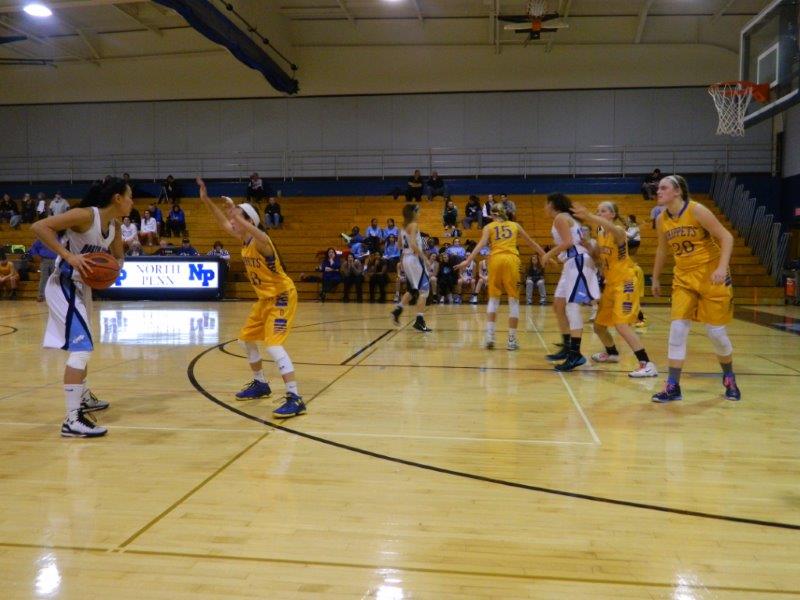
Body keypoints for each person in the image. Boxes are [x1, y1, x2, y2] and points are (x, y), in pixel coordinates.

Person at [30, 176, 132, 437]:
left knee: (85, 344)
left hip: (82, 288)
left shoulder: (115, 226)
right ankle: (71, 420)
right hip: (63, 284)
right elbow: (40, 226)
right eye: (129, 196)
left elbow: (119, 257)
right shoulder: (86, 215)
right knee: (82, 347)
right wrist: (68, 256)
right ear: (117, 198)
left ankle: (83, 397)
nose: (132, 201)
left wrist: (111, 269)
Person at [197, 177, 305, 418]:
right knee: (247, 339)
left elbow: (261, 236)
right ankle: (261, 383)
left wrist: (237, 213)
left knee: (274, 345)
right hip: (265, 300)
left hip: (282, 297)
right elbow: (222, 221)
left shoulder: (262, 242)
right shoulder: (243, 240)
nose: (232, 222)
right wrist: (206, 200)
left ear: (249, 222)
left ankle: (295, 397)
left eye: (238, 218)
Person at [651, 174, 740, 402]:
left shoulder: (697, 210)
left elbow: (726, 237)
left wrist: (722, 267)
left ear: (677, 191)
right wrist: (655, 278)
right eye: (658, 188)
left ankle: (729, 376)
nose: (658, 191)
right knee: (677, 329)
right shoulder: (662, 218)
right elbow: (662, 250)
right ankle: (673, 386)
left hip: (711, 275)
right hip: (683, 278)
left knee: (716, 333)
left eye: (663, 188)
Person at [572, 201, 658, 378]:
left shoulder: (619, 231)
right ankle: (611, 353)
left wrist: (588, 216)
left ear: (612, 214)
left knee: (621, 325)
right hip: (611, 283)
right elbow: (598, 258)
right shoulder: (601, 232)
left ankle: (647, 364)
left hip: (625, 282)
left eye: (603, 211)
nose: (599, 212)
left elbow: (612, 229)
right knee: (598, 326)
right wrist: (588, 245)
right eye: (598, 210)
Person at [457, 204, 545, 350]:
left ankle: (490, 337)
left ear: (493, 215)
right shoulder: (515, 225)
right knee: (513, 300)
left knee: (493, 299)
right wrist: (544, 255)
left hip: (495, 260)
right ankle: (511, 340)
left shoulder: (489, 227)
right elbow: (531, 243)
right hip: (511, 260)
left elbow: (480, 245)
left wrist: (467, 261)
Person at [540, 193, 601, 371]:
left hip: (578, 262)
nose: (545, 207)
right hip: (571, 263)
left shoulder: (560, 217)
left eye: (546, 204)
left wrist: (548, 254)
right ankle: (567, 347)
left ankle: (576, 355)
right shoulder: (568, 218)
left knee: (571, 306)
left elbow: (567, 242)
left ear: (552, 204)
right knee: (558, 305)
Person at [391, 204, 433, 331]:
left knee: (413, 289)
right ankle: (419, 321)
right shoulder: (413, 225)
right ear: (413, 213)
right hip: (415, 260)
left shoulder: (402, 228)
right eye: (417, 211)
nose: (419, 213)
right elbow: (414, 245)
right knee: (424, 291)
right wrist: (425, 258)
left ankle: (398, 310)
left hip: (406, 259)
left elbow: (398, 245)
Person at [29, 238, 57, 302]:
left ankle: (56, 296)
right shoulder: (41, 238)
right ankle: (41, 296)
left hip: (56, 259)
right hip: (44, 260)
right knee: (43, 278)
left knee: (56, 278)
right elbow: (33, 248)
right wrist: (35, 255)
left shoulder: (58, 237)